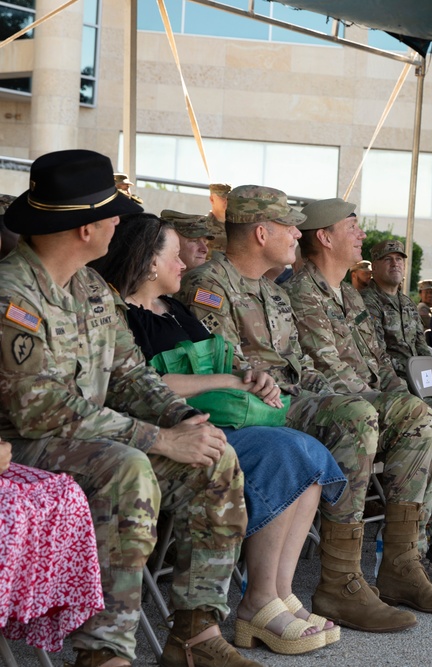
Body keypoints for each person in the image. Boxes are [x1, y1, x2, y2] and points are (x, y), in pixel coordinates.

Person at [0, 150, 255, 667]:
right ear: (84, 228)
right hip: (23, 446)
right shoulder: (13, 293)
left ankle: (195, 634)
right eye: (110, 213)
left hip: (89, 436)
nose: (119, 221)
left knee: (213, 456)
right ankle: (105, 653)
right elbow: (37, 409)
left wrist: (182, 420)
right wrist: (156, 438)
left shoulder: (92, 286)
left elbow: (128, 373)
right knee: (129, 469)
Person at [178, 185, 432, 633]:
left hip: (289, 400)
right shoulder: (208, 285)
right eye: (289, 226)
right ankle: (340, 581)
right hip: (250, 409)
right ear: (262, 233)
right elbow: (224, 364)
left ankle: (401, 563)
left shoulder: (274, 293)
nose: (296, 235)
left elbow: (303, 371)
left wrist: (353, 397)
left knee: (413, 414)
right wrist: (347, 403)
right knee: (356, 417)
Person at [93, 212, 348, 655]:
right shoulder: (124, 317)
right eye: (175, 255)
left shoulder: (177, 311)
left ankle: (279, 593)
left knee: (307, 452)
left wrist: (250, 375)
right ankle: (257, 601)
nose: (183, 265)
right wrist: (226, 383)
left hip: (218, 419)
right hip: (176, 427)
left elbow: (223, 362)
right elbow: (139, 384)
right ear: (150, 262)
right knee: (285, 452)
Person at [286, 198, 432, 585]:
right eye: (352, 227)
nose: (362, 234)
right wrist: (398, 404)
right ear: (324, 237)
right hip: (342, 410)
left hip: (379, 405)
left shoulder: (349, 295)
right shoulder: (303, 293)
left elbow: (382, 365)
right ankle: (408, 558)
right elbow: (328, 374)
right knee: (418, 417)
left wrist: (399, 394)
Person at [0, 439, 103, 654]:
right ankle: (103, 644)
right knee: (10, 512)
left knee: (66, 493)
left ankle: (106, 645)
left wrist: (182, 416)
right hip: (42, 431)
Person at [363, 240, 432, 377]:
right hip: (390, 382)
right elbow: (376, 353)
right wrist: (414, 373)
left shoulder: (408, 303)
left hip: (417, 379)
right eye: (387, 259)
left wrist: (429, 375)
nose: (395, 263)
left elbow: (422, 347)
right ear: (374, 267)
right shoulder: (365, 302)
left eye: (399, 259)